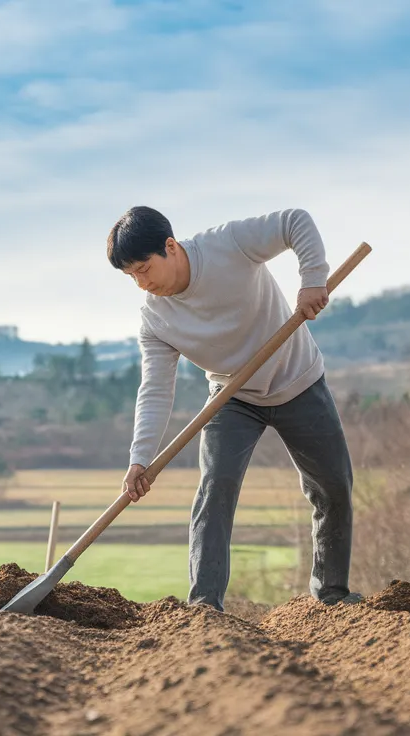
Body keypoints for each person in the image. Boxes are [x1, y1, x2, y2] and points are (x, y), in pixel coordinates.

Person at [107, 205, 361, 609]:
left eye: (144, 268)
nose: (141, 283)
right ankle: (204, 606)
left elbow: (294, 221)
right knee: (215, 489)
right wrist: (140, 458)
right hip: (232, 398)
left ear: (170, 247)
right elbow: (155, 389)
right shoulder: (155, 319)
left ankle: (331, 594)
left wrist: (312, 279)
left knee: (333, 486)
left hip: (299, 381)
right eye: (130, 276)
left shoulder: (227, 245)